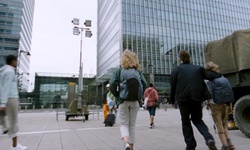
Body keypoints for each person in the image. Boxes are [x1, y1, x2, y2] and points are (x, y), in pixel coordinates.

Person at [170, 50, 218, 150]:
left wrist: (172, 100)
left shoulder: (176, 70)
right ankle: (209, 138)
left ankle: (190, 146)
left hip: (183, 99)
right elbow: (209, 76)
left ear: (180, 59)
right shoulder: (198, 68)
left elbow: (173, 86)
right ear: (189, 58)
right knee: (197, 120)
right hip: (197, 98)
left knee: (186, 122)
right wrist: (218, 74)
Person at [110, 50, 147, 150]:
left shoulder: (119, 70)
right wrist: (139, 96)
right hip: (135, 101)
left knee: (124, 124)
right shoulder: (137, 71)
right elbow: (144, 84)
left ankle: (126, 144)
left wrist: (117, 95)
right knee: (132, 125)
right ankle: (131, 147)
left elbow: (112, 83)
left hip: (123, 101)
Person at [205, 62, 235, 150]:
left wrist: (207, 103)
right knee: (225, 124)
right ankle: (230, 144)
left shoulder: (208, 80)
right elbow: (229, 90)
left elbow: (208, 93)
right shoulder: (223, 78)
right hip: (225, 103)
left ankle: (224, 146)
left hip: (215, 104)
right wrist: (230, 105)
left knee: (219, 126)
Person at [0, 55, 27, 150]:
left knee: (4, 117)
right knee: (14, 121)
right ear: (12, 61)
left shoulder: (2, 71)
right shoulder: (10, 72)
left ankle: (4, 127)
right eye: (16, 61)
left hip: (5, 98)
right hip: (11, 98)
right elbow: (6, 87)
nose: (17, 63)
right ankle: (15, 146)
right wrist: (3, 103)